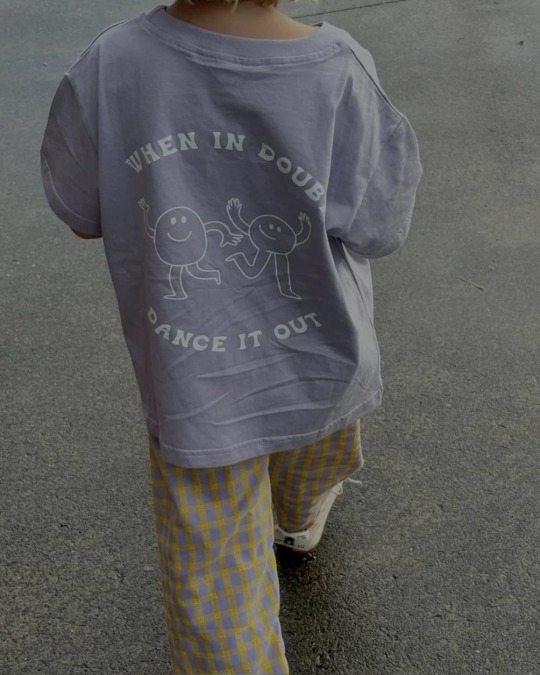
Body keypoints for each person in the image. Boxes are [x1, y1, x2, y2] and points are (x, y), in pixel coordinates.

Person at [40, 0, 422, 672]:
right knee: (315, 440)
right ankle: (297, 518)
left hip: (196, 382)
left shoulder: (113, 64)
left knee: (215, 579)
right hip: (319, 354)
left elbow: (80, 212)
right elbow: (380, 226)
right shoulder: (338, 69)